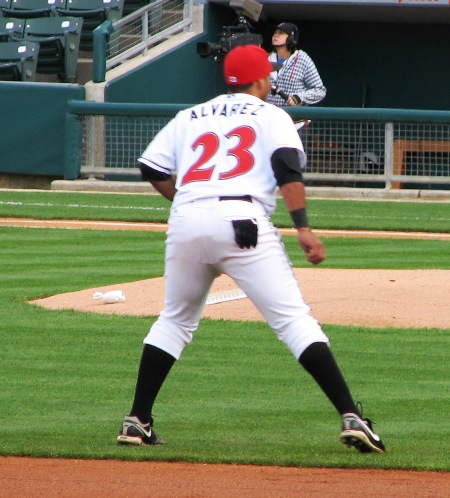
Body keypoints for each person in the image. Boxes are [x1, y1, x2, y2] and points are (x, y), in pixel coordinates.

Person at [117, 44, 385, 454]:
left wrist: (191, 203)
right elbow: (286, 168)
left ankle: (137, 420)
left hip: (187, 218)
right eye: (268, 77)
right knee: (294, 320)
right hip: (243, 220)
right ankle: (351, 416)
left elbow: (151, 167)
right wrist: (304, 229)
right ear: (261, 80)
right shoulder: (271, 114)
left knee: (174, 320)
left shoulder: (190, 115)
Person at [267, 22, 326, 155]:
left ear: (291, 37)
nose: (275, 36)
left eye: (281, 33)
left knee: (294, 165)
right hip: (270, 123)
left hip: (295, 124)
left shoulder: (302, 59)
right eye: (275, 33)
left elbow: (320, 90)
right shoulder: (266, 59)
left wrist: (299, 97)